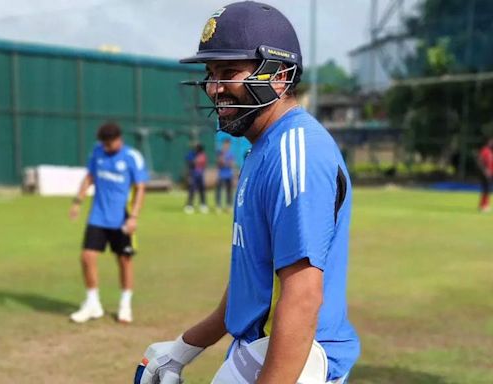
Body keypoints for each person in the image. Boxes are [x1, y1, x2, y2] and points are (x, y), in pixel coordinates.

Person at [135, 2, 359, 383]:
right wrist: (183, 348)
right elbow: (251, 281)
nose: (214, 88)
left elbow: (302, 295)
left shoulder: (296, 152)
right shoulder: (265, 145)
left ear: (280, 76)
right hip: (258, 351)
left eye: (228, 72)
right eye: (209, 74)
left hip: (292, 360)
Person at [69, 122, 149, 323]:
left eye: (109, 144)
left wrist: (134, 217)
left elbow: (140, 188)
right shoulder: (98, 152)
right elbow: (89, 177)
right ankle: (93, 304)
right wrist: (78, 201)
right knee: (87, 257)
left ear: (119, 139)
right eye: (103, 144)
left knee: (124, 261)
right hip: (98, 216)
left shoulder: (132, 157)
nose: (106, 148)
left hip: (122, 217)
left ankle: (125, 305)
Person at [184, 143, 209, 214]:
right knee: (192, 190)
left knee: (202, 190)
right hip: (193, 175)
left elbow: (204, 164)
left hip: (200, 175)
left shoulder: (203, 155)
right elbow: (189, 161)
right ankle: (189, 205)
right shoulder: (192, 154)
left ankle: (203, 205)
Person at [216, 138, 235, 212]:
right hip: (221, 175)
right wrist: (223, 161)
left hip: (229, 175)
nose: (227, 145)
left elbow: (231, 164)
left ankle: (229, 206)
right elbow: (220, 163)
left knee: (229, 191)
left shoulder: (231, 153)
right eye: (225, 144)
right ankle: (218, 206)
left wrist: (226, 162)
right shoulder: (220, 153)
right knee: (219, 191)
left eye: (228, 144)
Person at [477, 138, 493, 212]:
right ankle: (483, 206)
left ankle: (484, 205)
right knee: (486, 189)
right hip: (485, 173)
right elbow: (480, 161)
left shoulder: (490, 151)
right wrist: (485, 170)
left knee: (487, 189)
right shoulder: (485, 150)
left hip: (489, 173)